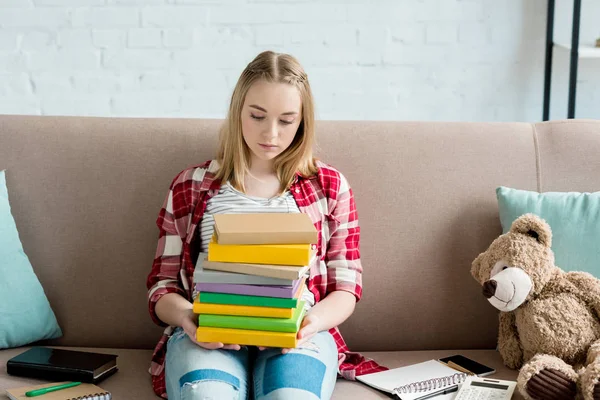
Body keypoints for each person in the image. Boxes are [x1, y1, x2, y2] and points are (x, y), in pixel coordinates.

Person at [146, 50, 385, 400]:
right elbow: (162, 286)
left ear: (303, 121)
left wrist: (311, 324)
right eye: (257, 116)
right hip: (210, 334)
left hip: (299, 337)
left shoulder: (329, 186)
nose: (270, 133)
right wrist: (189, 320)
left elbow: (347, 287)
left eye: (286, 121)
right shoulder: (192, 185)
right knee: (207, 395)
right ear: (238, 110)